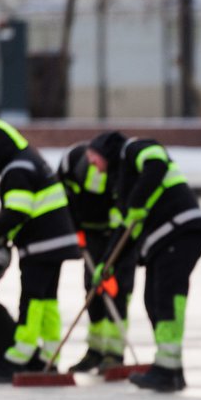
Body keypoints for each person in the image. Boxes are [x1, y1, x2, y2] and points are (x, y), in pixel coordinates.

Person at [90, 132, 201, 392]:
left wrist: (138, 202)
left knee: (165, 298)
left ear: (106, 151)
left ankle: (167, 370)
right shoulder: (123, 180)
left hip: (180, 231)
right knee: (154, 299)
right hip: (167, 239)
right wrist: (107, 263)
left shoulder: (134, 149)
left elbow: (156, 164)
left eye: (94, 160)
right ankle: (171, 368)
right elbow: (127, 230)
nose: (94, 168)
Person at [0, 119, 82, 381]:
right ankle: (49, 357)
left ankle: (19, 359)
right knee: (47, 301)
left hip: (40, 246)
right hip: (56, 243)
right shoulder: (31, 160)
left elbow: (17, 212)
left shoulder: (17, 170)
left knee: (31, 301)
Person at [57, 141, 138, 373]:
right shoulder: (70, 164)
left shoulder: (119, 171)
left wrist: (113, 255)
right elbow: (63, 200)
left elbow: (122, 213)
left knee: (117, 290)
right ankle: (94, 351)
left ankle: (114, 353)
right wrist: (75, 230)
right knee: (93, 292)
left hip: (120, 236)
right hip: (90, 234)